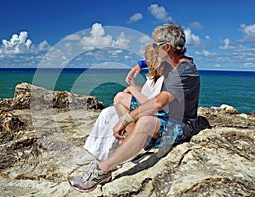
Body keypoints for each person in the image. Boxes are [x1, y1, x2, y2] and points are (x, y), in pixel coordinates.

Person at [69, 23, 200, 192]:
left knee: (145, 120)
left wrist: (125, 120)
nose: (153, 49)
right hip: (164, 115)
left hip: (180, 125)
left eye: (155, 45)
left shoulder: (183, 71)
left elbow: (158, 103)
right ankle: (133, 142)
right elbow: (152, 63)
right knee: (121, 98)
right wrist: (139, 65)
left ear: (167, 47)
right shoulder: (173, 64)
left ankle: (103, 170)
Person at [78, 44, 169, 165]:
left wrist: (132, 89)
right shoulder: (153, 75)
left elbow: (151, 105)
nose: (146, 62)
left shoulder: (165, 78)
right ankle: (92, 150)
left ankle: (129, 147)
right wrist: (135, 83)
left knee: (120, 100)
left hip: (152, 117)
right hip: (141, 111)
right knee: (107, 113)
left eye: (148, 59)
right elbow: (147, 92)